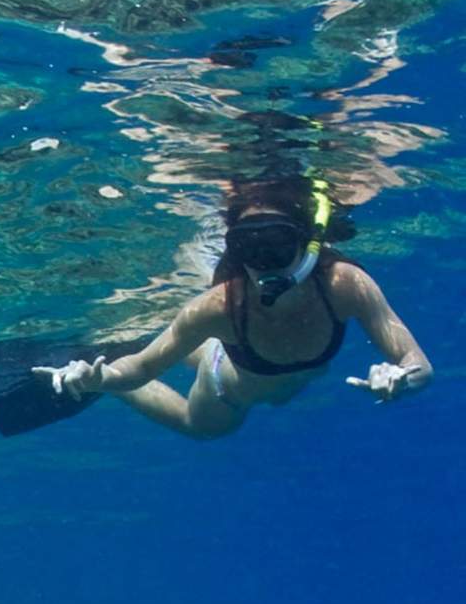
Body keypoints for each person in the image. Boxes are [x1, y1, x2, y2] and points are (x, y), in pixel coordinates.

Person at [34, 177, 433, 439]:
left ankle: (123, 350)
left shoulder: (346, 285)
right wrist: (95, 381)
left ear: (307, 243)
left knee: (188, 342)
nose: (264, 260)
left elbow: (417, 361)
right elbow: (142, 369)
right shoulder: (217, 307)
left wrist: (403, 376)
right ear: (233, 251)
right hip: (226, 388)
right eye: (248, 246)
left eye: (275, 244)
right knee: (200, 428)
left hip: (235, 351)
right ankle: (95, 358)